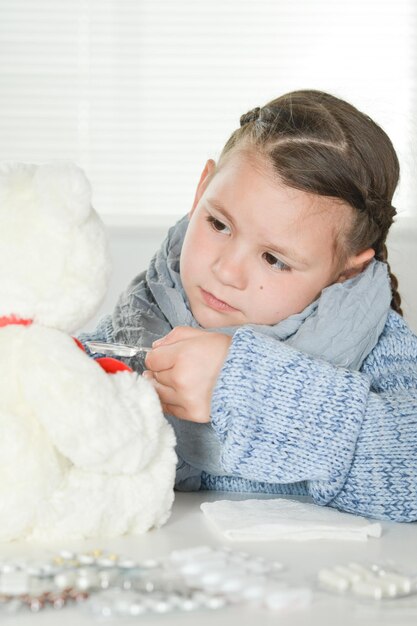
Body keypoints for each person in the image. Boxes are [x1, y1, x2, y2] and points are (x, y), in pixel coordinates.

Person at [80, 89, 417, 522]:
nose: (226, 270)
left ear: (345, 272)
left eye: (274, 260)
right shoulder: (145, 311)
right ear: (202, 188)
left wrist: (242, 387)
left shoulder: (372, 342)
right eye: (219, 224)